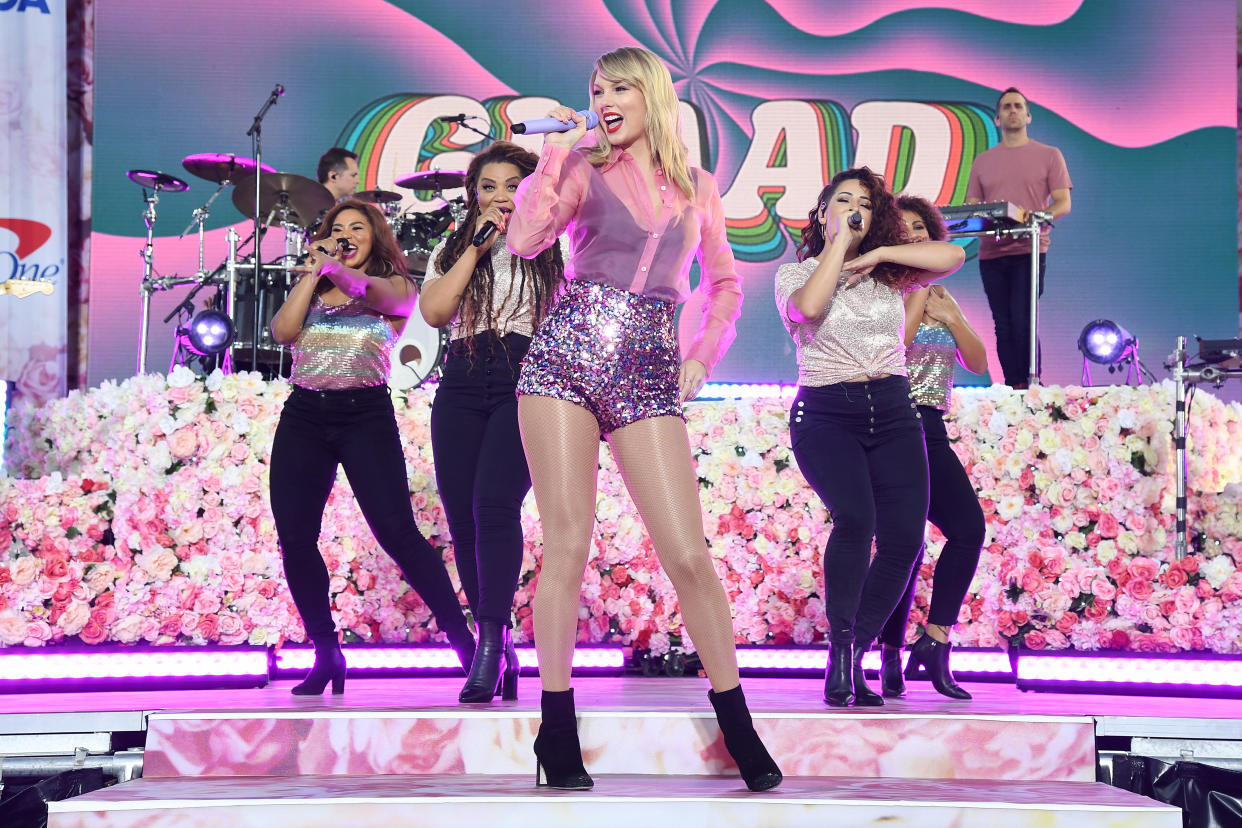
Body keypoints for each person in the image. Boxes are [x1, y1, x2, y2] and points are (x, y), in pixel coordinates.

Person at [507, 46, 782, 792]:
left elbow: (724, 283)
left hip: (649, 366)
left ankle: (737, 723)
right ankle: (555, 729)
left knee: (688, 554)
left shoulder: (698, 185)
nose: (604, 99)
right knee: (565, 544)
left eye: (620, 87)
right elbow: (525, 239)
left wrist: (699, 357)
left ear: (653, 95)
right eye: (597, 89)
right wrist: (552, 160)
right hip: (564, 358)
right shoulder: (580, 165)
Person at [268, 198, 474, 695]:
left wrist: (334, 266)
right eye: (337, 228)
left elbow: (383, 298)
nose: (346, 235)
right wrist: (312, 275)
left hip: (364, 416)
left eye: (357, 228)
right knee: (295, 539)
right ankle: (326, 653)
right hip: (304, 416)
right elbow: (283, 332)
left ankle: (463, 641)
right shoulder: (317, 286)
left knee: (399, 532)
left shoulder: (395, 285)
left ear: (374, 236)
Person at [775, 168, 964, 708]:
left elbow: (952, 258)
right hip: (827, 414)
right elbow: (809, 309)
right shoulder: (796, 275)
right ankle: (840, 650)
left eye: (864, 202)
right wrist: (839, 245)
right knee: (856, 521)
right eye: (843, 200)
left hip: (894, 410)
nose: (855, 208)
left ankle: (851, 652)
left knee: (905, 539)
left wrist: (880, 255)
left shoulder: (889, 275)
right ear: (821, 211)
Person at [420, 141, 568, 704]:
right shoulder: (454, 248)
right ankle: (497, 643)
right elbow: (435, 313)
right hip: (460, 378)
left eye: (513, 185)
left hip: (525, 379)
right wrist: (474, 251)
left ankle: (489, 641)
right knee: (461, 517)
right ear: (472, 195)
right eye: (488, 186)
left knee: (493, 504)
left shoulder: (555, 248)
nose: (501, 196)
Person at [876, 195, 987, 701]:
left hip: (931, 426)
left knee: (965, 529)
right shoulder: (883, 292)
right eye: (907, 229)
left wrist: (955, 317)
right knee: (906, 545)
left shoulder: (939, 295)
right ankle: (890, 655)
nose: (917, 235)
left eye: (923, 228)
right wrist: (919, 291)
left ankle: (935, 640)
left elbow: (978, 362)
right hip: (897, 421)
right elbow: (896, 346)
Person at [965, 87, 1072, 388]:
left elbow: (1063, 202)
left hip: (1030, 248)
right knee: (1003, 324)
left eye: (1018, 106)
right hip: (992, 252)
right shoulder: (982, 161)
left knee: (1024, 320)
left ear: (1028, 115)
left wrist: (1036, 217)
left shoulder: (1049, 155)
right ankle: (1013, 388)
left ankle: (1031, 386)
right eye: (1006, 107)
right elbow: (972, 204)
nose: (1013, 110)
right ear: (997, 119)